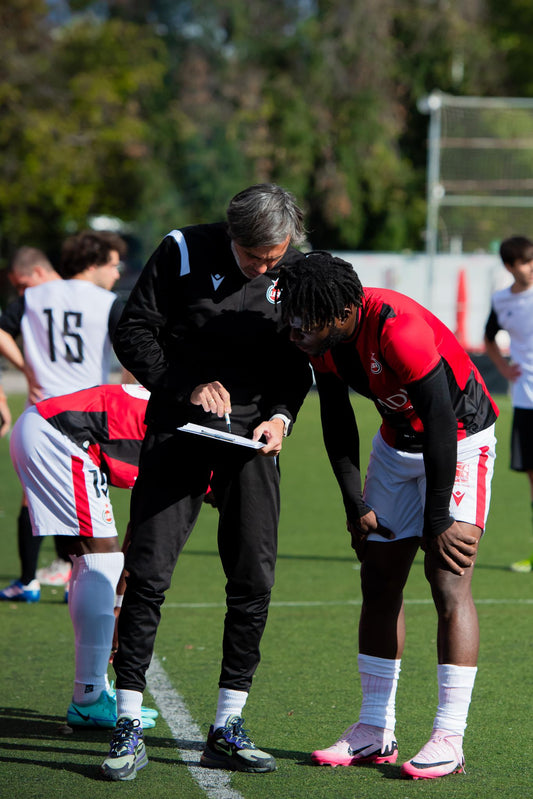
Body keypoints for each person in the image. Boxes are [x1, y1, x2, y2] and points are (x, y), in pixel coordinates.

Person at [100, 183, 312, 781]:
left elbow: (298, 360)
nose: (264, 267)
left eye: (273, 256)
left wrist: (280, 416)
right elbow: (133, 331)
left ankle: (228, 724)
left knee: (253, 578)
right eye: (253, 256)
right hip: (178, 427)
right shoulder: (181, 251)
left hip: (253, 440)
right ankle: (128, 721)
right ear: (229, 233)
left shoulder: (296, 268)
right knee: (147, 572)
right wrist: (185, 384)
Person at [276, 251, 498, 780]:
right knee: (378, 580)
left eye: (306, 316)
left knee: (447, 580)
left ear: (343, 309)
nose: (296, 327)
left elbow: (441, 420)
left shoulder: (399, 328)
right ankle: (374, 730)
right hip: (396, 449)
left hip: (460, 444)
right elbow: (337, 418)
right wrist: (355, 503)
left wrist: (439, 517)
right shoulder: (325, 342)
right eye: (292, 314)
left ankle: (449, 736)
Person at [9, 383, 158, 728]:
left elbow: (142, 529)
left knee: (91, 558)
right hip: (60, 436)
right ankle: (88, 698)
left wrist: (119, 605)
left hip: (47, 427)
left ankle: (91, 692)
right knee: (99, 557)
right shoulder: (204, 454)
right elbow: (147, 531)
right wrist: (118, 609)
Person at [0, 233, 127, 602]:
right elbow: (134, 355)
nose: (117, 273)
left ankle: (31, 579)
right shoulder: (107, 303)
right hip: (86, 414)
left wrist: (27, 369)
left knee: (34, 496)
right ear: (93, 263)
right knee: (87, 499)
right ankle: (78, 579)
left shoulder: (33, 297)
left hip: (42, 412)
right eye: (112, 264)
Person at [484, 235, 533, 572]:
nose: (529, 269)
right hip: (526, 399)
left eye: (532, 260)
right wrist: (502, 367)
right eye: (523, 262)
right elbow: (489, 338)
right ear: (509, 266)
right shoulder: (502, 301)